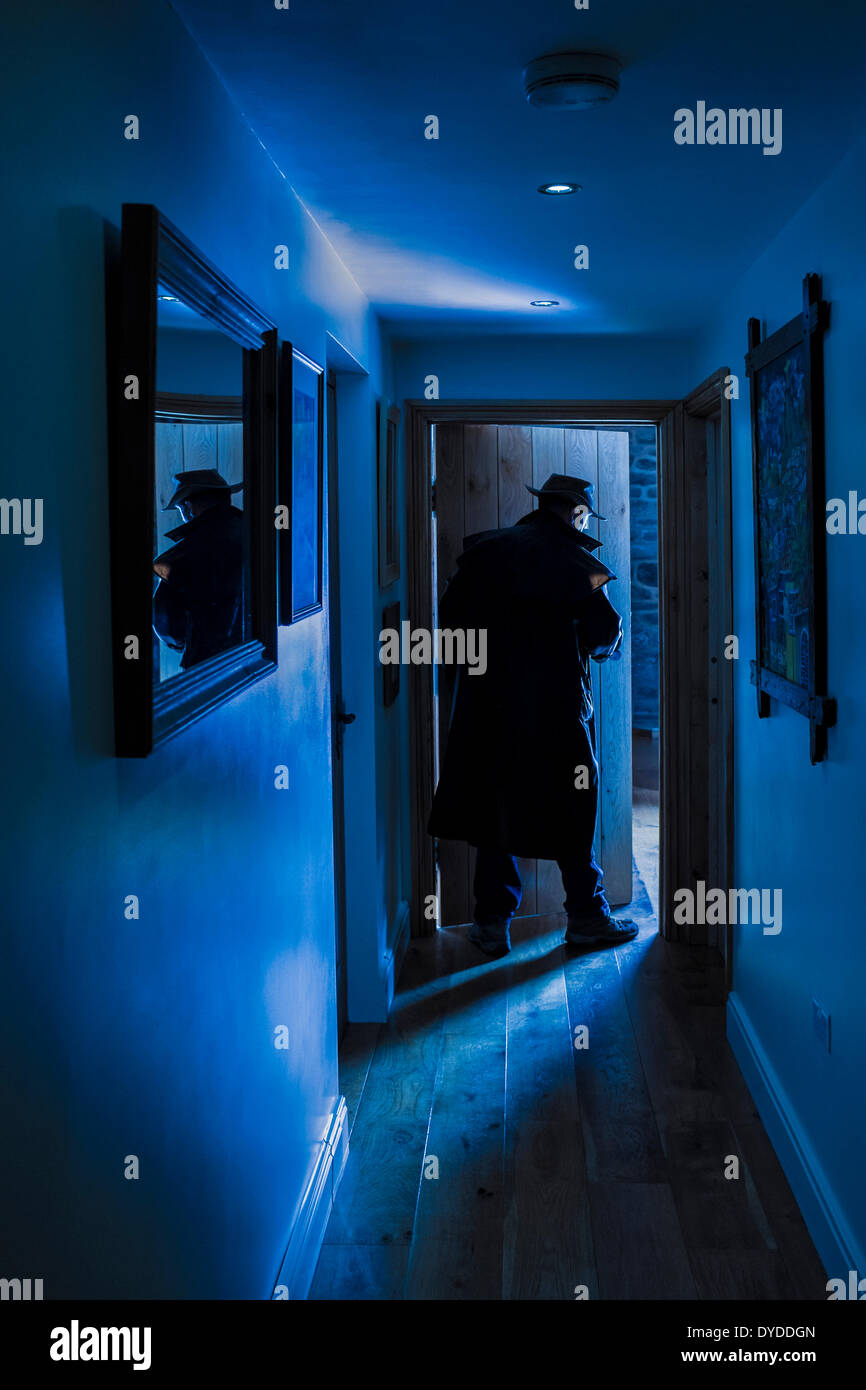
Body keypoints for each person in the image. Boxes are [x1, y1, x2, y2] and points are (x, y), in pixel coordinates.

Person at [428, 472, 640, 956]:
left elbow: (450, 633)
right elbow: (605, 636)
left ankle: (490, 924)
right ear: (576, 513)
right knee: (573, 806)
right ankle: (587, 916)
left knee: (493, 806)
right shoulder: (572, 561)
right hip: (557, 708)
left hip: (488, 708)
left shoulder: (485, 554)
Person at [152, 468, 244, 671]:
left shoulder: (186, 553)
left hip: (207, 662)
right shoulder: (255, 534)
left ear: (188, 505)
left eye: (180, 509)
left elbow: (167, 624)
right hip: (248, 652)